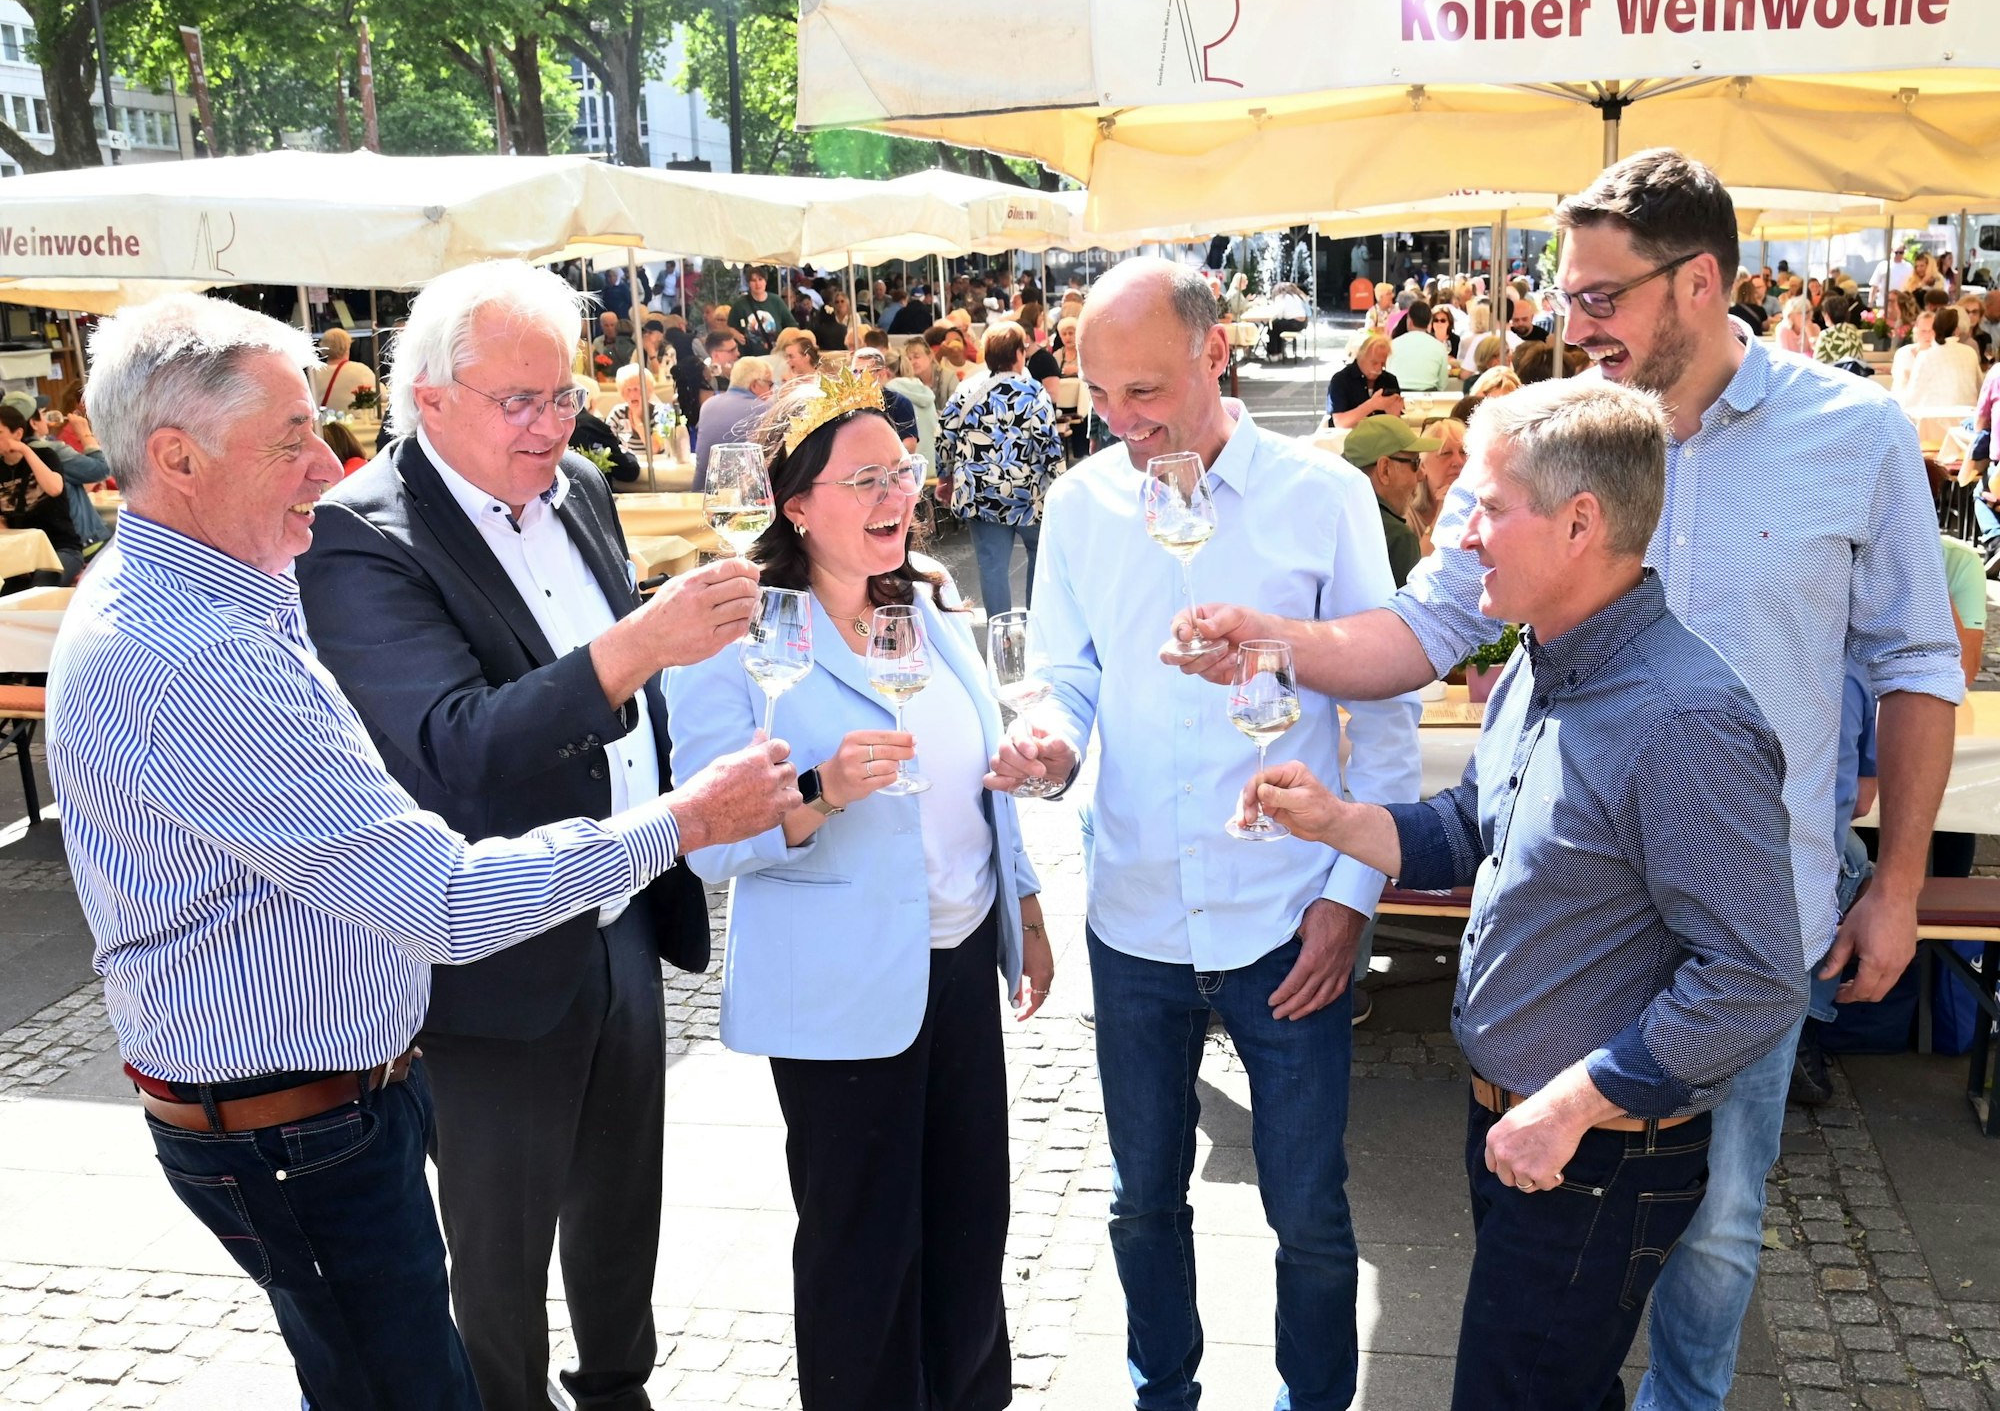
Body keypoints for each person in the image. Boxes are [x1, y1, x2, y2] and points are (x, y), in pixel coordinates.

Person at [1170, 148, 1962, 1411]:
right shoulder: (1549, 453)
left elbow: (1918, 662)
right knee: (1556, 1290)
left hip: (1740, 937)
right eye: (1564, 292)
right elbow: (1422, 635)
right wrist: (1270, 647)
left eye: (1598, 295)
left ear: (1696, 283)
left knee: (1705, 1247)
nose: (1566, 319)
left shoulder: (1849, 431)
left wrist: (1900, 883)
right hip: (1567, 949)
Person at [53, 290, 797, 1411]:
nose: (324, 464)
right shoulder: (194, 647)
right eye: (293, 437)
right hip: (296, 1126)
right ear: (177, 459)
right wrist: (683, 821)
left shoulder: (221, 589)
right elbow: (441, 897)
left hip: (330, 1098)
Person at [1246, 380, 1805, 1411]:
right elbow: (1469, 826)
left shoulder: (1678, 717)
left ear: (1580, 522)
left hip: (1591, 1152)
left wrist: (1564, 1107)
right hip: (1528, 1138)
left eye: (1487, 506)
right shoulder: (1540, 666)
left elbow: (1754, 981)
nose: (1460, 535)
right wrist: (1336, 821)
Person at [291, 260, 789, 1411]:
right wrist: (642, 646)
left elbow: (612, 688)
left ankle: (618, 1388)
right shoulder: (360, 535)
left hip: (617, 904)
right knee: (497, 1252)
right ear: (428, 398)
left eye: (561, 395)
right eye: (517, 400)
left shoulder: (573, 485)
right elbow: (453, 745)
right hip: (493, 949)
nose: (548, 423)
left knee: (622, 1208)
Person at [988, 258, 1422, 1411]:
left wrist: (1347, 900)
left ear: (1214, 352)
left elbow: (1377, 714)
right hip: (1133, 914)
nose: (1124, 425)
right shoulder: (1079, 503)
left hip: (1285, 915)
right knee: (1141, 1202)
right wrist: (1047, 743)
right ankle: (1160, 1395)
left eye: (1146, 393)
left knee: (1309, 1212)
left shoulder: (1321, 498)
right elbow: (1067, 678)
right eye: (1100, 397)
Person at [667, 373, 1050, 1411]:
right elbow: (703, 843)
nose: (898, 493)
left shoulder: (922, 597)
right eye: (865, 477)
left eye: (903, 471)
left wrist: (1020, 901)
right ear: (795, 505)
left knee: (970, 1217)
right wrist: (818, 790)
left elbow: (976, 771)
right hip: (837, 991)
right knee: (862, 1246)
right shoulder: (731, 634)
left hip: (959, 953)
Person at [937, 322, 1065, 617]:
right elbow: (1048, 443)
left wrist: (945, 475)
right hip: (1028, 493)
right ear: (1020, 354)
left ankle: (1001, 630)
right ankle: (1037, 624)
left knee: (992, 564)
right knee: (1040, 554)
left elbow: (945, 435)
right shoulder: (1033, 391)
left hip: (980, 492)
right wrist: (1059, 481)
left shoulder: (967, 388)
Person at [4, 389, 111, 552]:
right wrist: (85, 433)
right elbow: (101, 469)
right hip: (79, 542)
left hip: (33, 549)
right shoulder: (50, 452)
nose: (46, 419)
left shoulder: (8, 459)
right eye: (43, 413)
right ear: (33, 423)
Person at [1341, 415, 1440, 586]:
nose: (1421, 475)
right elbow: (1407, 612)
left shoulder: (1330, 515)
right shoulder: (1398, 538)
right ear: (1385, 469)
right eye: (1415, 463)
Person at [0, 400, 84, 580]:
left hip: (62, 548)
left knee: (44, 579)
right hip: (23, 555)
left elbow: (54, 489)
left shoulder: (45, 455)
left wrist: (25, 450)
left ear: (18, 433)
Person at [693, 356, 776, 490]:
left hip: (701, 492)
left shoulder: (708, 405)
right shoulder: (765, 410)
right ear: (754, 385)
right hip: (742, 499)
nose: (772, 391)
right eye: (770, 384)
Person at [1409, 416, 1468, 558]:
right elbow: (1415, 568)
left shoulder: (1482, 505)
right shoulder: (1407, 511)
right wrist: (1440, 517)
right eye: (1446, 453)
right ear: (1423, 466)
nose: (1458, 462)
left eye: (1463, 452)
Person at [1904, 306, 1984, 410]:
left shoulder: (1925, 356)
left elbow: (1912, 398)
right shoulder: (1970, 352)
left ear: (1934, 330)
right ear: (1957, 330)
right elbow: (1981, 389)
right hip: (1967, 420)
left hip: (1934, 421)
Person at [848, 345, 922, 453]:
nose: (859, 378)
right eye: (855, 372)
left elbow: (910, 445)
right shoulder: (846, 403)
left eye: (865, 372)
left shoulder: (900, 403)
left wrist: (881, 456)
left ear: (881, 373)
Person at [1325, 333, 1404, 429]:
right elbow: (1340, 422)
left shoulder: (1389, 380)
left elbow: (1396, 424)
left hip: (1380, 437)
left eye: (1383, 363)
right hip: (1347, 438)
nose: (1379, 368)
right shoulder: (1341, 380)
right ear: (1361, 356)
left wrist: (1394, 415)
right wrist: (1372, 405)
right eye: (1374, 363)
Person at [1386, 301, 1454, 391]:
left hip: (1397, 396)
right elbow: (1442, 383)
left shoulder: (1393, 344)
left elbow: (1388, 374)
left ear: (1409, 321)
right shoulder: (1439, 347)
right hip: (1428, 398)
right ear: (1429, 322)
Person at [729, 267, 797, 354]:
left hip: (775, 354)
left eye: (760, 279)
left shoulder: (776, 301)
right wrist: (735, 334)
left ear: (765, 281)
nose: (757, 284)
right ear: (749, 284)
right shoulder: (740, 304)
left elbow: (792, 325)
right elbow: (729, 326)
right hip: (750, 356)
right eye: (753, 280)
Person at [311, 327, 376, 416]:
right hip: (354, 425)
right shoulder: (360, 370)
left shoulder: (313, 374)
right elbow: (382, 394)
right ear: (347, 346)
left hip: (324, 426)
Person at [1891, 309, 1936, 403]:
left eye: (1931, 331)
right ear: (1916, 331)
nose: (1927, 335)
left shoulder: (1940, 355)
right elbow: (1899, 382)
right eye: (1923, 331)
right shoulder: (1903, 353)